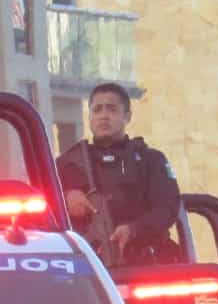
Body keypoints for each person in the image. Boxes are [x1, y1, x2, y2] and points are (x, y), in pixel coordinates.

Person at [56, 83, 182, 268]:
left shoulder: (150, 160)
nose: (104, 116)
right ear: (89, 117)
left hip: (146, 264)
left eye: (112, 109)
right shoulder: (68, 163)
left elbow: (167, 209)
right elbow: (40, 208)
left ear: (127, 116)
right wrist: (64, 198)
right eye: (97, 110)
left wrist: (133, 230)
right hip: (86, 269)